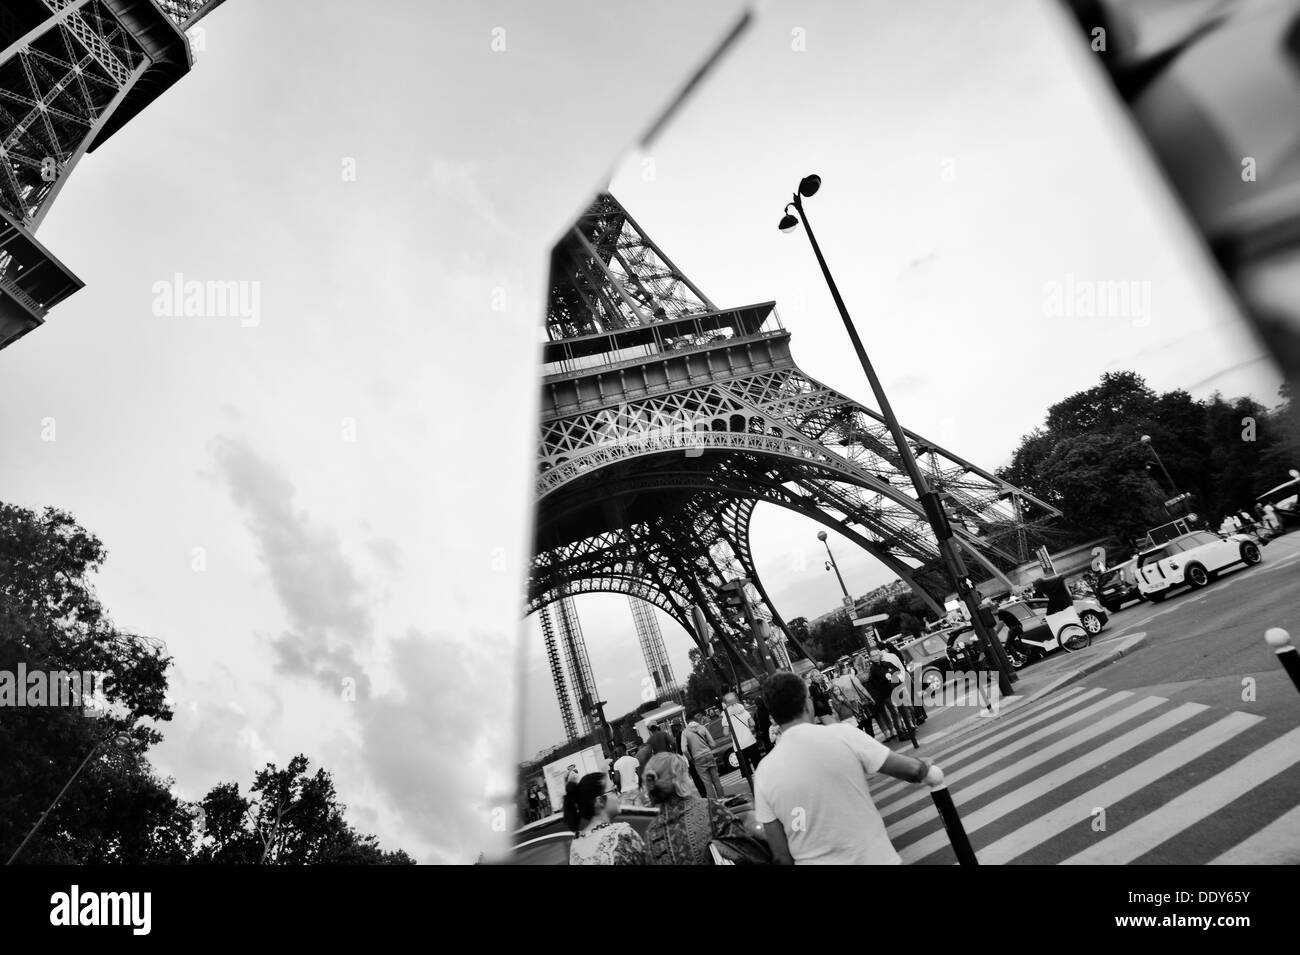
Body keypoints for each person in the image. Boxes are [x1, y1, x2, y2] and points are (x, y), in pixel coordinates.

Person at [753, 671, 934, 865]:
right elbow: (912, 771)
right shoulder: (842, 735)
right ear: (807, 703)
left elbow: (781, 854)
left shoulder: (764, 771)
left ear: (773, 716)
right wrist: (925, 766)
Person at [642, 753, 768, 865]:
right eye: (687, 774)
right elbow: (753, 853)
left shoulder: (650, 833)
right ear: (680, 780)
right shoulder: (710, 810)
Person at [564, 772, 646, 865]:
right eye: (614, 790)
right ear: (600, 801)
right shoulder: (621, 834)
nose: (618, 795)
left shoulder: (575, 847)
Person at [680, 713, 725, 799]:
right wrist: (708, 747)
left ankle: (713, 803)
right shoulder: (702, 727)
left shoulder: (685, 733)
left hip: (698, 759)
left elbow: (683, 749)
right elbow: (713, 744)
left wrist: (691, 759)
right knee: (716, 780)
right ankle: (722, 798)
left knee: (707, 783)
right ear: (694, 719)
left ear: (686, 721)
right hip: (708, 755)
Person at [723, 691, 763, 770]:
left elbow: (726, 733)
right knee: (758, 766)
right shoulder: (744, 711)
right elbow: (753, 724)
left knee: (746, 771)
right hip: (750, 741)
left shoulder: (726, 716)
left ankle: (751, 781)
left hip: (738, 746)